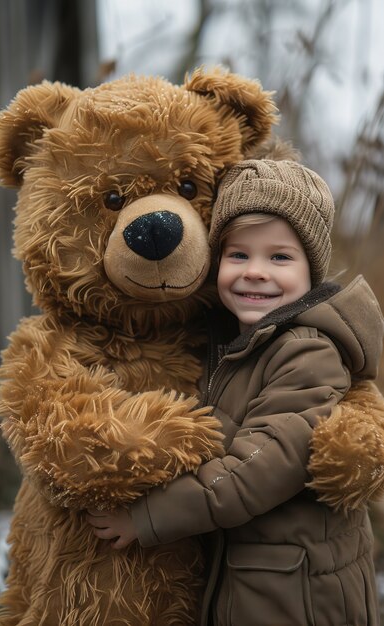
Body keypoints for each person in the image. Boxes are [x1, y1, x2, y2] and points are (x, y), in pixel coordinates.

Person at [87, 159, 384, 626]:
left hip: (298, 595)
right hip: (255, 580)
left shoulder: (308, 354)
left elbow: (257, 469)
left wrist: (146, 518)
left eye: (280, 257)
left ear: (312, 269)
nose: (256, 272)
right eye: (238, 255)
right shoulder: (236, 341)